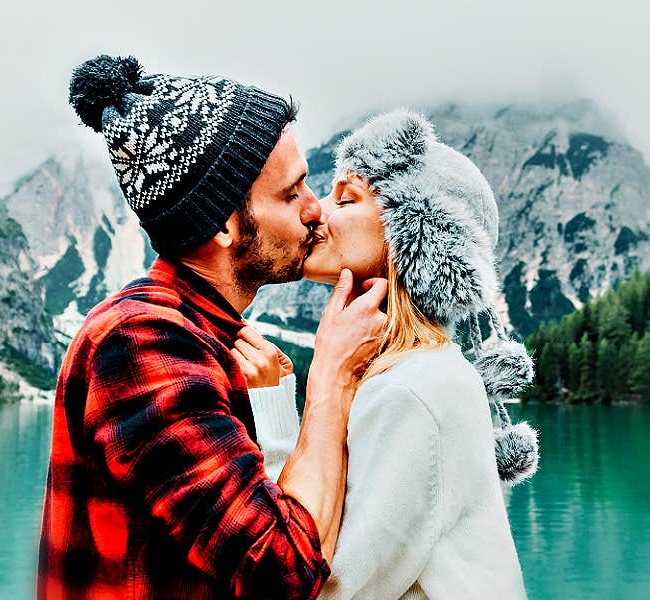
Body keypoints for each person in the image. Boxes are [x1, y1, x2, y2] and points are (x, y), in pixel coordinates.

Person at [37, 55, 388, 599]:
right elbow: (284, 571)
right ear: (223, 224)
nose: (316, 210)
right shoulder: (141, 343)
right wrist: (331, 380)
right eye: (291, 193)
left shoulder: (199, 336)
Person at [234, 110, 539, 599]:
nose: (318, 213)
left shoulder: (412, 390)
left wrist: (274, 415)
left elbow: (324, 587)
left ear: (413, 236)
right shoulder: (416, 373)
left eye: (346, 198)